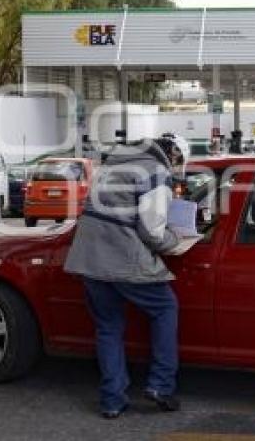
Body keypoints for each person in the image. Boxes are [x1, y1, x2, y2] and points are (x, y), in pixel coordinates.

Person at [64, 134, 190, 419]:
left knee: (108, 327)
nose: (176, 170)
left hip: (90, 260)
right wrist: (175, 238)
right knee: (165, 308)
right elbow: (152, 233)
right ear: (173, 156)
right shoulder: (155, 172)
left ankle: (112, 401)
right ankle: (161, 385)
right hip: (123, 258)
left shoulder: (110, 166)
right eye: (178, 164)